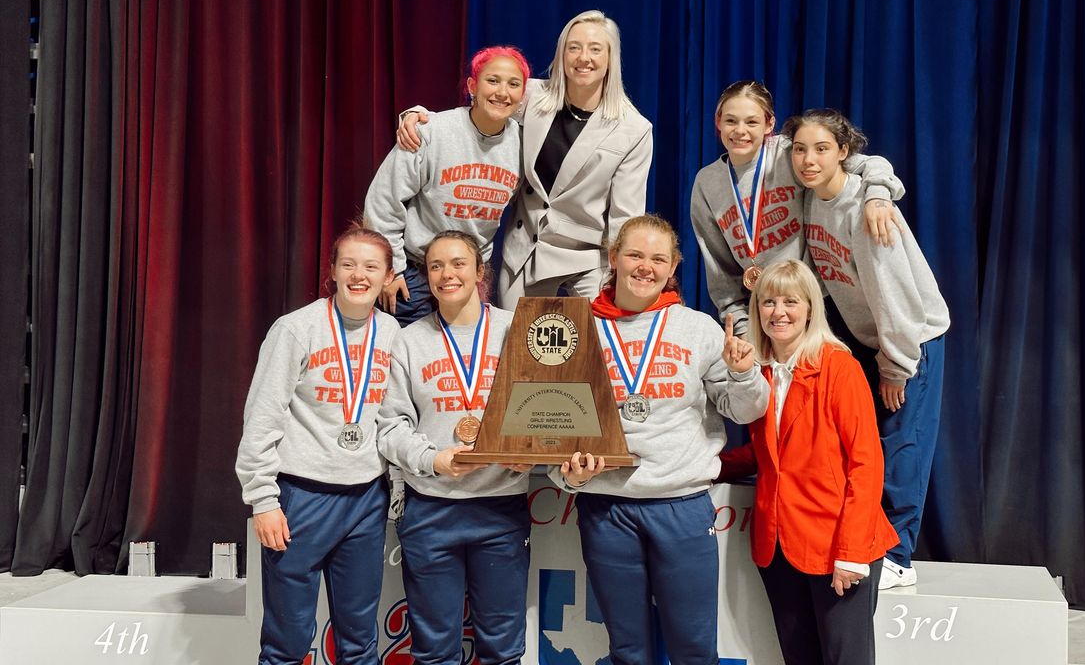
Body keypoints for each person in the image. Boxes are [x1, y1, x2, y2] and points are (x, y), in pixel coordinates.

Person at [550, 214, 768, 665]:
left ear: (672, 268)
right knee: (629, 652)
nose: (645, 267)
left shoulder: (699, 328)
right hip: (607, 507)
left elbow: (747, 410)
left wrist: (746, 374)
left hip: (681, 506)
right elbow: (552, 425)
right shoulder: (575, 329)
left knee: (693, 651)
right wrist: (567, 476)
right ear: (613, 259)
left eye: (658, 258)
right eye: (634, 254)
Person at [790, 108, 950, 590]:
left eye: (822, 149)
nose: (809, 159)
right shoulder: (814, 198)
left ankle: (899, 557)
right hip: (870, 338)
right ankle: (875, 544)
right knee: (867, 449)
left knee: (903, 445)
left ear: (843, 151)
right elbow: (871, 164)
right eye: (800, 149)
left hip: (909, 340)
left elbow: (895, 298)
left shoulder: (866, 212)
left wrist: (896, 367)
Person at [396, 10, 653, 308]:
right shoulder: (531, 94)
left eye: (595, 49)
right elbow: (481, 107)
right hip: (525, 250)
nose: (584, 57)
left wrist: (616, 275)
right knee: (518, 345)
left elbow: (626, 214)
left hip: (588, 259)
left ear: (610, 59)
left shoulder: (634, 128)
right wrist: (416, 115)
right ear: (561, 54)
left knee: (594, 346)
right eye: (574, 47)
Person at [236, 223, 402, 665]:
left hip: (366, 498)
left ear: (389, 277)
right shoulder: (295, 329)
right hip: (300, 498)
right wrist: (263, 500)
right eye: (348, 264)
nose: (358, 275)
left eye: (371, 266)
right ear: (332, 271)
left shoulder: (393, 335)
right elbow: (262, 417)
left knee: (360, 639)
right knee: (287, 641)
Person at [720, 258, 899, 665]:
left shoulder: (839, 367)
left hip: (836, 543)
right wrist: (708, 465)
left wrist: (851, 553)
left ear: (810, 308)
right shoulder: (760, 373)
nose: (778, 312)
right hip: (779, 544)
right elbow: (770, 452)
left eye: (790, 301)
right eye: (768, 302)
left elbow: (865, 463)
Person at [376, 231, 533, 665]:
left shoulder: (517, 328)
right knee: (433, 650)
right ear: (426, 277)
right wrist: (432, 460)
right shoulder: (408, 341)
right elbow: (391, 427)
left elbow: (546, 409)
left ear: (480, 271)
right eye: (436, 266)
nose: (448, 274)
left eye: (458, 263)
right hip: (432, 510)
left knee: (502, 649)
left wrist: (531, 453)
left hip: (500, 508)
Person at [690, 81, 905, 337]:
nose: (740, 131)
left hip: (820, 305)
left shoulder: (790, 152)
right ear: (718, 122)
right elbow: (720, 272)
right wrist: (743, 329)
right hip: (767, 314)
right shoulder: (706, 183)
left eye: (751, 122)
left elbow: (869, 163)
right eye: (731, 121)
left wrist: (878, 196)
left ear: (769, 125)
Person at [365, 46, 530, 326]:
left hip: (469, 276)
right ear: (472, 86)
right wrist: (393, 270)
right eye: (492, 80)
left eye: (513, 84)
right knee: (406, 362)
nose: (503, 92)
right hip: (415, 274)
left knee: (459, 364)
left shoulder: (526, 146)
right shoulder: (430, 131)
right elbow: (384, 202)